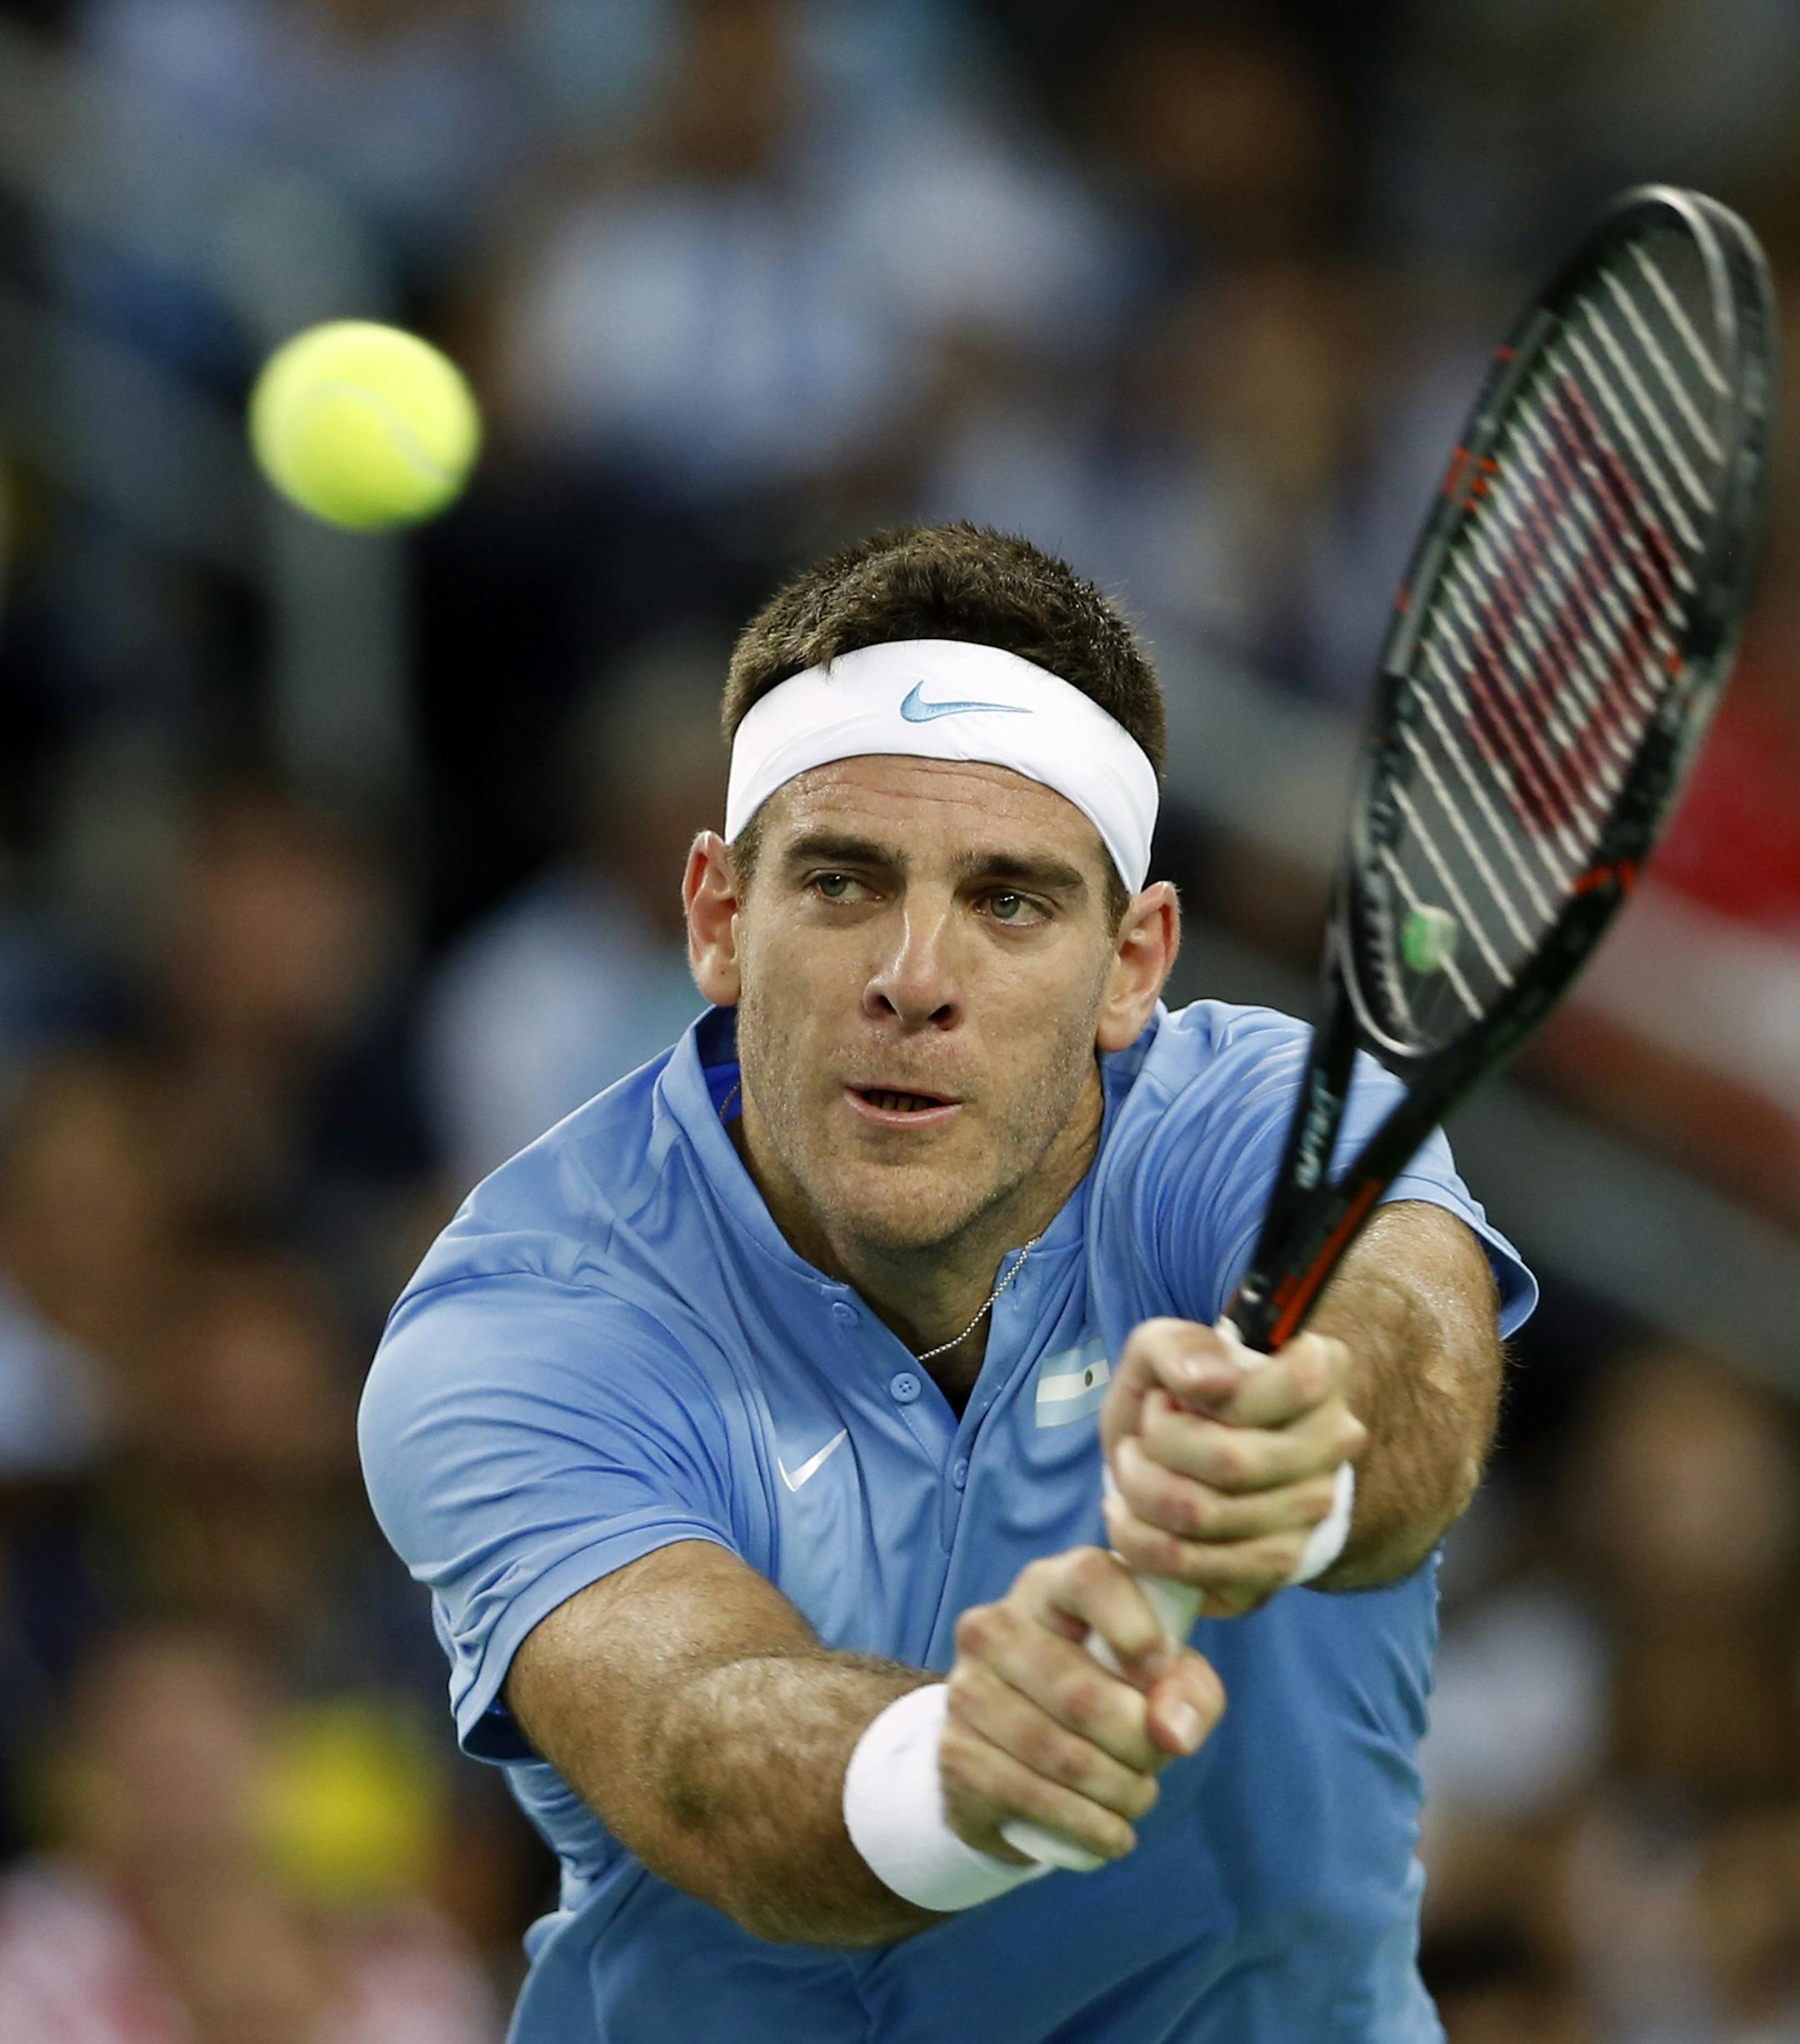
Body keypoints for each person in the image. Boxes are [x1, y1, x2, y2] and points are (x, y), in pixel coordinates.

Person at [359, 522, 1535, 2041]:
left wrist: (1305, 1458)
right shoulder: (527, 1314)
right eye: (843, 882)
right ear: (719, 916)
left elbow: (1413, 1345)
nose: (916, 974)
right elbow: (696, 1740)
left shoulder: (1266, 1123)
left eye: (1011, 900)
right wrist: (956, 1770)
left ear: (1135, 961)